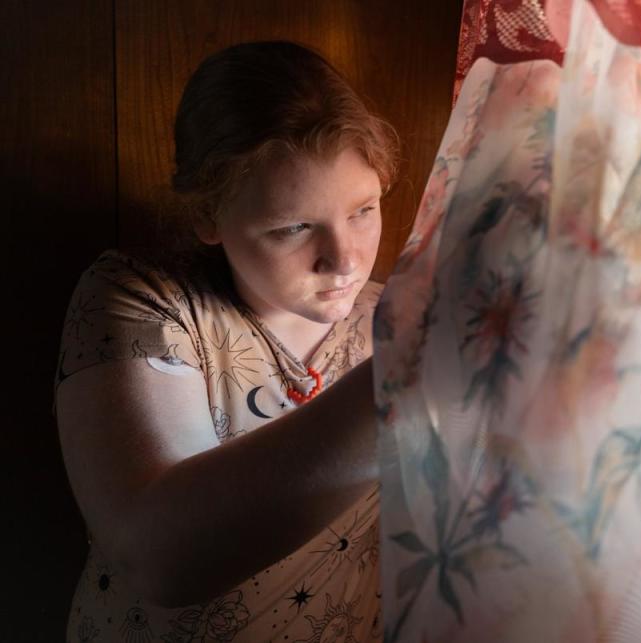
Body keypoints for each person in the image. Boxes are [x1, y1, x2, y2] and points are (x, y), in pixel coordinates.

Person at [55, 41, 397, 642]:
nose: (344, 259)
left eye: (363, 210)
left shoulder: (397, 316)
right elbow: (160, 555)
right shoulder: (146, 301)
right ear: (209, 216)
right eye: (294, 227)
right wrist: (404, 385)